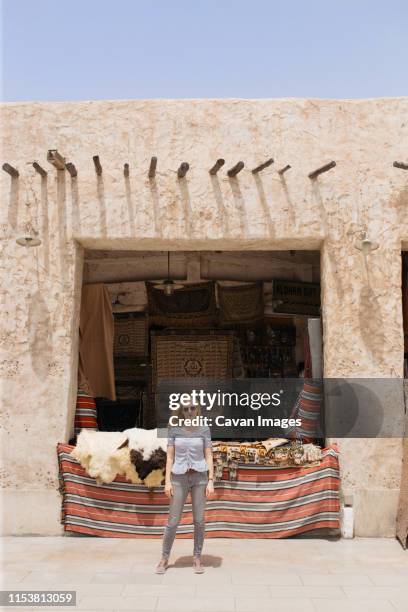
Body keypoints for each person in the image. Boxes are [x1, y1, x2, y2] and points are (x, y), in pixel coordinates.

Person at [155, 401, 214, 574]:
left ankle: (197, 558)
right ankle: (164, 558)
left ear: (197, 410)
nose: (189, 411)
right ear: (181, 410)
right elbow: (170, 458)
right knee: (173, 521)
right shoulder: (174, 428)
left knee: (199, 520)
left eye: (192, 408)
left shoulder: (204, 428)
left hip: (200, 477)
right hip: (179, 477)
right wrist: (167, 481)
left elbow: (209, 456)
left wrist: (211, 479)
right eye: (186, 408)